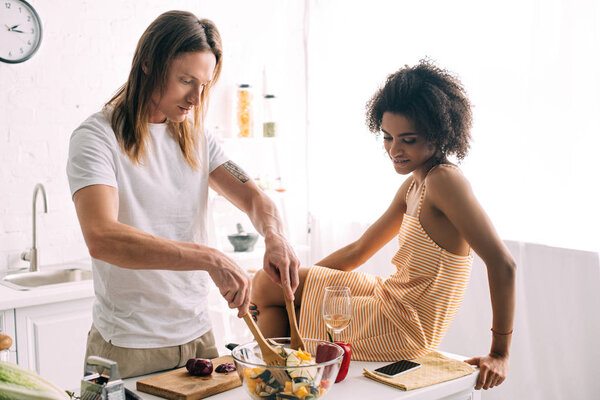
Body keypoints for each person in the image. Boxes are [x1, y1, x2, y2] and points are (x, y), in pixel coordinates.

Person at [251, 60, 516, 391]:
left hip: (404, 326)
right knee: (269, 284)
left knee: (268, 290)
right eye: (387, 137)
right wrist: (291, 287)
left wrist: (500, 353)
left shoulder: (444, 181)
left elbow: (503, 264)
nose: (394, 149)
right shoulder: (415, 184)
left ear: (439, 134)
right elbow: (359, 250)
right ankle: (286, 383)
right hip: (390, 296)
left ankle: (281, 386)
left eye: (407, 139)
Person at [66, 10, 299, 378]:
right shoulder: (97, 138)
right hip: (130, 345)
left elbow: (254, 197)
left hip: (199, 337)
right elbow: (102, 237)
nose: (195, 97)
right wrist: (209, 257)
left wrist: (275, 236)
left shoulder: (197, 137)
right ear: (148, 64)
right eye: (185, 80)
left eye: (204, 84)